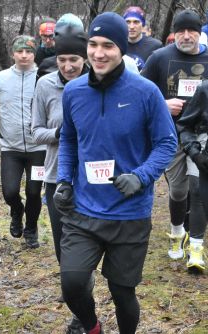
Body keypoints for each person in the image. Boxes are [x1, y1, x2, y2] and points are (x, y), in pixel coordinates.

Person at [55, 12, 177, 334]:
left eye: (108, 45)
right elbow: (68, 138)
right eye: (92, 45)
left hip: (129, 212)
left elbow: (167, 143)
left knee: (123, 293)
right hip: (84, 209)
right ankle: (92, 328)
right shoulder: (74, 92)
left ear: (121, 48)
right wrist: (65, 179)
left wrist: (141, 175)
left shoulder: (146, 92)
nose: (98, 53)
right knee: (72, 282)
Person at [31, 13, 89, 334]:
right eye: (63, 59)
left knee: (82, 252)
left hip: (91, 179)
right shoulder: (45, 85)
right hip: (55, 178)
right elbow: (35, 131)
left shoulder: (95, 83)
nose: (69, 65)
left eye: (75, 59)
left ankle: (82, 315)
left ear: (84, 59)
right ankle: (80, 307)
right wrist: (61, 132)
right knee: (63, 253)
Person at [142, 9, 208, 271]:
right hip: (168, 134)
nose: (186, 35)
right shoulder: (160, 57)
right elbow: (141, 93)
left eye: (192, 30)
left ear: (199, 33)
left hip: (201, 134)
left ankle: (196, 248)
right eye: (181, 30)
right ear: (175, 34)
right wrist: (162, 104)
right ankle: (176, 231)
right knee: (178, 191)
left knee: (197, 188)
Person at [0, 36, 46, 249]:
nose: (24, 55)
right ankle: (16, 211)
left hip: (39, 147)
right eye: (20, 51)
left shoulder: (43, 77)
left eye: (28, 51)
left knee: (34, 191)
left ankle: (30, 229)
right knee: (10, 192)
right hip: (10, 147)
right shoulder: (1, 78)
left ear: (34, 54)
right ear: (13, 54)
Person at [177, 82, 208, 271]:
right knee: (196, 191)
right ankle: (196, 248)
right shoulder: (205, 89)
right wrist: (195, 152)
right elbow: (185, 125)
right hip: (205, 150)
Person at [123, 6, 163, 71]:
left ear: (143, 24)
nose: (131, 26)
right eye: (128, 22)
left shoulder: (155, 46)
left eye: (136, 22)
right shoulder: (117, 44)